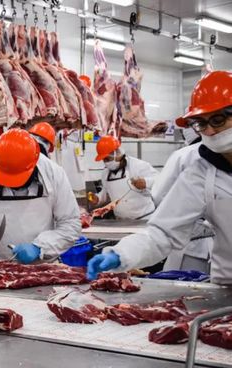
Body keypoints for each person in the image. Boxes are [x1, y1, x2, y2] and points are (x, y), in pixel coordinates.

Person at [87, 70, 232, 285]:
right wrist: (122, 254)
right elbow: (162, 233)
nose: (209, 131)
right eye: (201, 123)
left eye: (218, 120)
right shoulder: (200, 173)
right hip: (228, 289)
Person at [0, 129, 81, 264]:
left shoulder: (54, 174)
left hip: (43, 267)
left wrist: (40, 247)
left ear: (34, 162)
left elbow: (70, 224)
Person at [152, 127, 213, 272]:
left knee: (184, 290)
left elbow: (158, 196)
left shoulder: (183, 155)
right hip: (220, 247)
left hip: (190, 245)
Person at [87, 135, 158, 220]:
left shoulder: (138, 165)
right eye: (104, 160)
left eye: (108, 159)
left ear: (117, 153)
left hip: (145, 219)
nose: (106, 163)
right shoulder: (105, 173)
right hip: (121, 222)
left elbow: (161, 180)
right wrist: (97, 199)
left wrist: (146, 182)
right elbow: (105, 194)